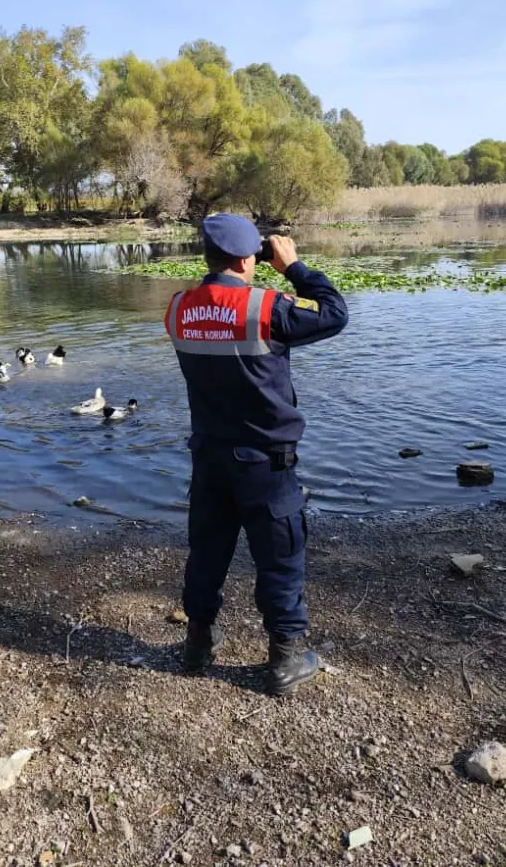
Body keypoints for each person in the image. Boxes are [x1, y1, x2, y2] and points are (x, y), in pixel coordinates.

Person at [164, 213, 349, 695]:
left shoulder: (178, 307)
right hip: (266, 464)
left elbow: (217, 322)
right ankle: (285, 661)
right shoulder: (266, 307)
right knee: (280, 559)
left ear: (208, 255)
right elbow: (335, 313)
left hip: (208, 460)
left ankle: (197, 646)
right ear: (250, 258)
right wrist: (294, 268)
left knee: (206, 554)